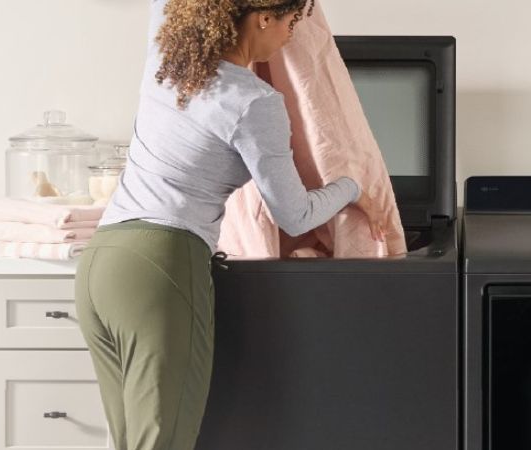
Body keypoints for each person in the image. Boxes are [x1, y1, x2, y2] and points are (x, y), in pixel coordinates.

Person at [74, 0, 359, 449]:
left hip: (100, 264)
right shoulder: (254, 102)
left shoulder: (166, 60)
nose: (292, 35)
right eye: (290, 22)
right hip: (161, 265)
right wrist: (352, 186)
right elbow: (295, 214)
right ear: (263, 17)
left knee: (130, 442)